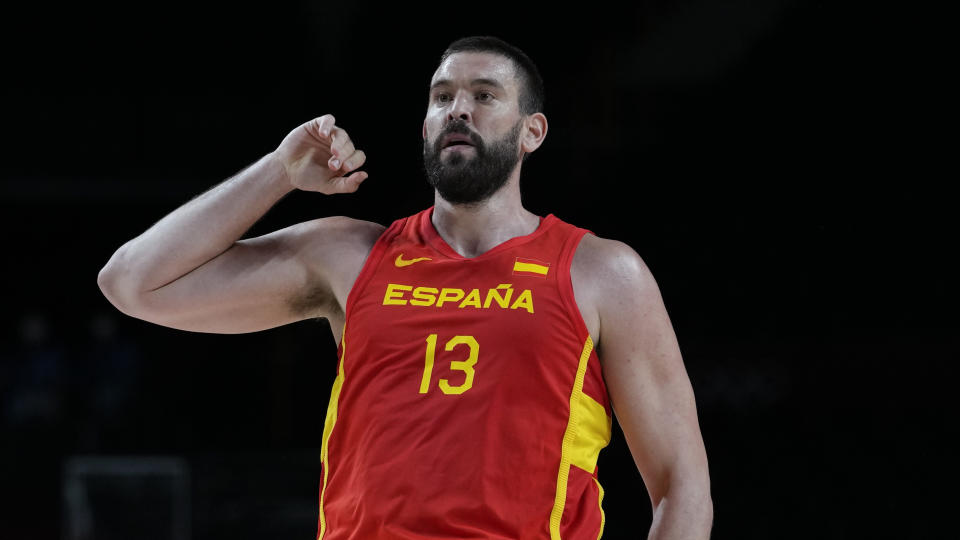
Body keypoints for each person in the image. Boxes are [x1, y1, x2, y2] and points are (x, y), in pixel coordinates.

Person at [98, 36, 712, 540]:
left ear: (533, 132)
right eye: (441, 96)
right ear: (424, 126)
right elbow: (133, 283)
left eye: (483, 95)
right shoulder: (352, 255)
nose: (458, 110)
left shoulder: (602, 272)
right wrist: (278, 173)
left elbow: (682, 490)